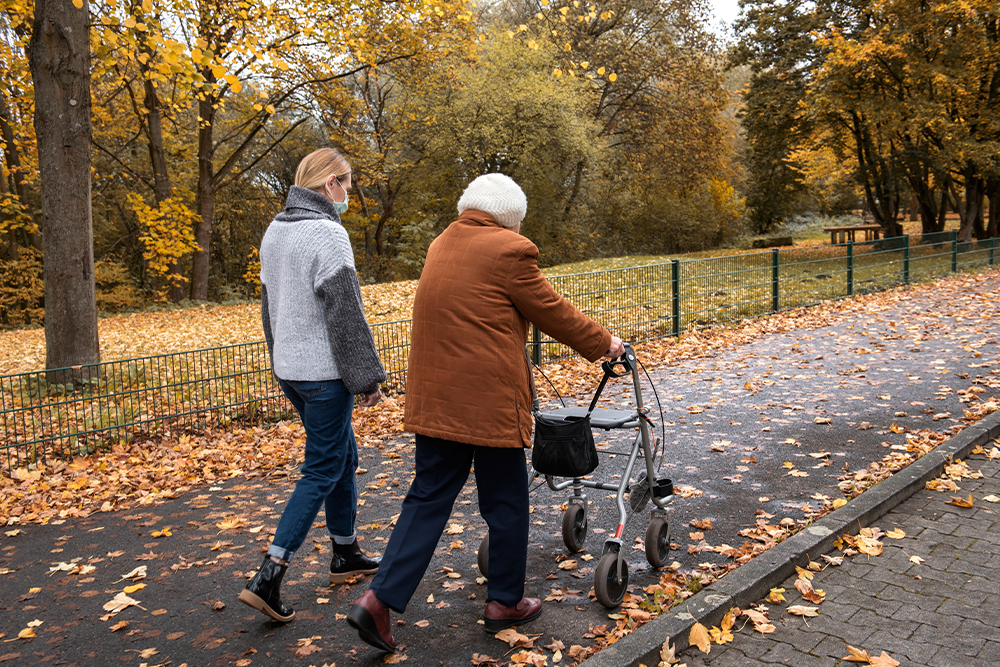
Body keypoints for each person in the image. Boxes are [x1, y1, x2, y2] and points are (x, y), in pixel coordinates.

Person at [347, 173, 624, 652]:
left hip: (436, 400)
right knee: (507, 499)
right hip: (488, 403)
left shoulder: (441, 243)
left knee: (428, 496)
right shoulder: (510, 250)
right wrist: (606, 344)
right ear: (509, 218)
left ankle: (378, 600)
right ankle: (504, 602)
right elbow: (551, 310)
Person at [239, 148, 387, 623]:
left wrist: (280, 356)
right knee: (321, 469)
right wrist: (367, 378)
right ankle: (270, 573)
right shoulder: (328, 233)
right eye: (347, 182)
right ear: (329, 184)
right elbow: (345, 316)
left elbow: (268, 308)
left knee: (344, 455)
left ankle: (345, 553)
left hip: (292, 371)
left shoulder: (275, 230)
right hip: (324, 376)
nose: (349, 192)